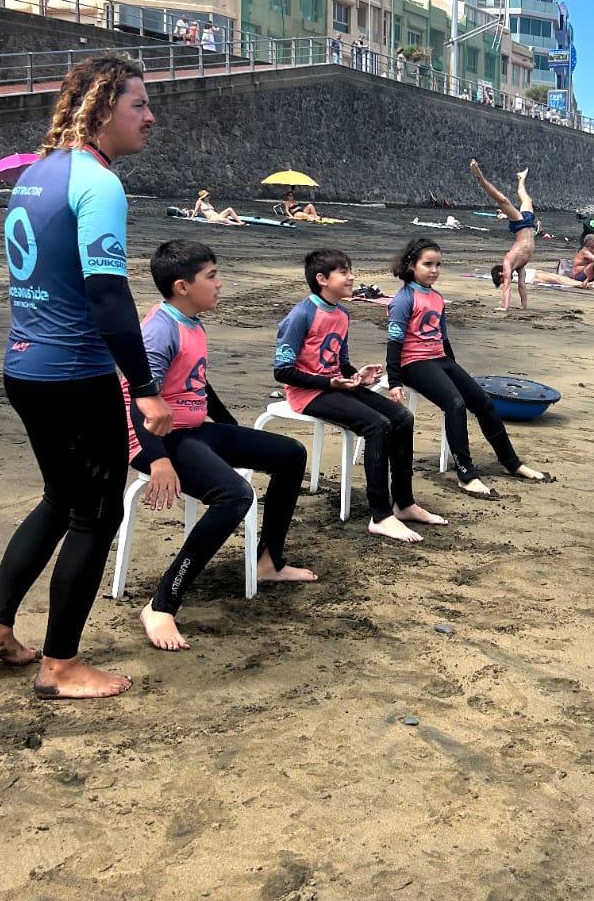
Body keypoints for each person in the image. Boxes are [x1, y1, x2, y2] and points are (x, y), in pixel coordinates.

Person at [0, 55, 174, 699]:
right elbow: (107, 295)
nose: (149, 115)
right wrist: (145, 388)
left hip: (23, 366)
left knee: (61, 498)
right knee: (95, 512)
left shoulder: (37, 174)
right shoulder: (98, 183)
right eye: (137, 103)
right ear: (102, 106)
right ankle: (61, 666)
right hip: (73, 374)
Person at [126, 240, 312, 652]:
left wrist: (235, 432)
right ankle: (161, 603)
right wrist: (157, 462)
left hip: (192, 430)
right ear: (181, 286)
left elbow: (197, 384)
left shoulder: (192, 320)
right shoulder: (160, 329)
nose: (220, 284)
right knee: (234, 496)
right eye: (211, 276)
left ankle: (268, 562)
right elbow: (137, 402)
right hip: (155, 438)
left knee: (289, 454)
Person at [274, 248, 442, 541]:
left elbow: (339, 363)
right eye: (344, 272)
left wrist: (357, 376)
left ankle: (403, 502)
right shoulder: (302, 314)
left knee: (402, 416)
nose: (352, 277)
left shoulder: (341, 313)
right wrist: (330, 384)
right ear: (322, 279)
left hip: (334, 387)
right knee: (377, 425)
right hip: (307, 394)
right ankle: (380, 515)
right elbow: (283, 372)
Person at [389, 237, 551, 497]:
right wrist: (395, 381)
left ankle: (512, 463)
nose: (434, 270)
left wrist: (454, 370)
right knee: (455, 404)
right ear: (411, 266)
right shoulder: (403, 299)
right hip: (414, 363)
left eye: (438, 265)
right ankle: (466, 474)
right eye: (427, 264)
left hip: (439, 359)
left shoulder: (437, 297)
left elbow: (443, 339)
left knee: (484, 402)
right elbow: (394, 342)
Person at [469, 159, 535, 313]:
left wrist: (504, 307)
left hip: (520, 224)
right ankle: (521, 179)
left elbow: (506, 286)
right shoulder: (520, 266)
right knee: (527, 199)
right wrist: (524, 307)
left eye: (502, 277)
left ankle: (479, 176)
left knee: (502, 200)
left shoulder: (508, 261)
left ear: (500, 273)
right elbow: (521, 286)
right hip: (527, 225)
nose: (506, 279)